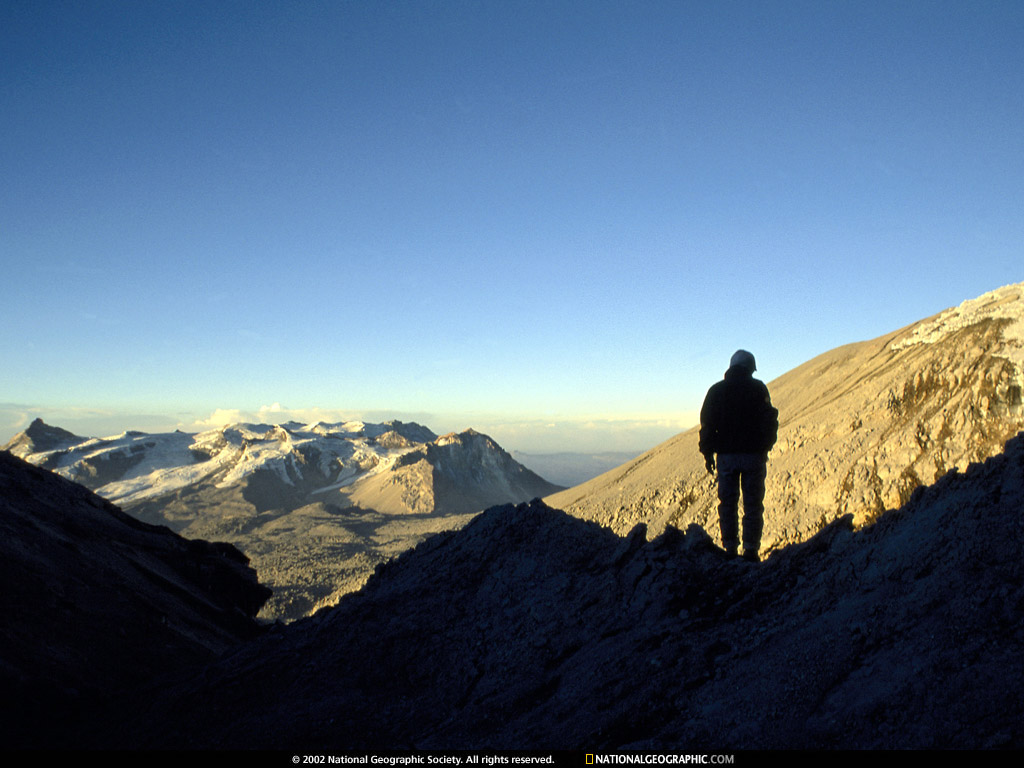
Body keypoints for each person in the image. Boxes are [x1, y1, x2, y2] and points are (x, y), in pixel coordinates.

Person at [699, 349, 778, 562]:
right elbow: (769, 421)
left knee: (727, 503)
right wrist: (765, 447)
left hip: (726, 457)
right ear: (749, 368)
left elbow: (707, 424)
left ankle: (730, 548)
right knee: (753, 504)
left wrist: (708, 453)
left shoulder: (716, 390)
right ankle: (751, 550)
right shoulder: (758, 388)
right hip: (753, 456)